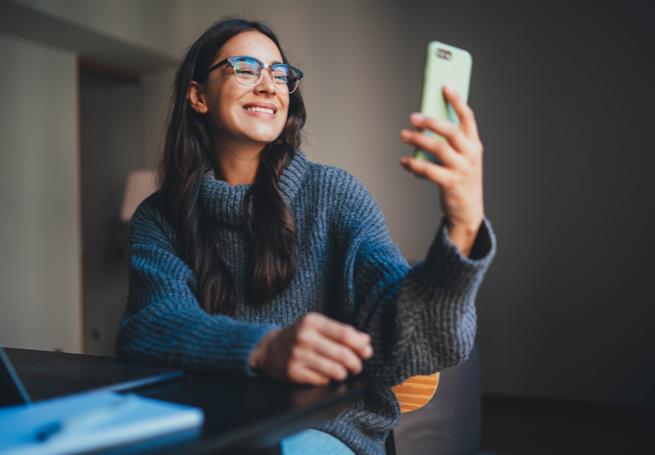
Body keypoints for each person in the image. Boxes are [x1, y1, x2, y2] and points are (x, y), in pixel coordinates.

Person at [116, 17, 495, 455]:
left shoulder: (335, 195)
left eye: (280, 74)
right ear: (197, 96)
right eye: (244, 68)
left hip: (325, 433)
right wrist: (262, 349)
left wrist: (463, 229)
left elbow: (410, 341)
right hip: (211, 430)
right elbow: (149, 327)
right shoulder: (160, 216)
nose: (268, 86)